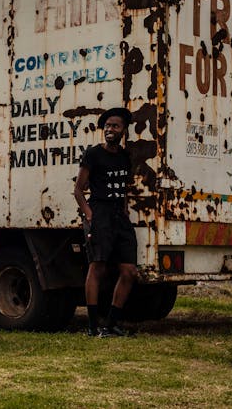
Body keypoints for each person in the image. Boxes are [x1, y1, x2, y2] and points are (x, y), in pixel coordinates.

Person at [73, 107, 138, 337]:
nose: (110, 130)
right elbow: (78, 191)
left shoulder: (123, 156)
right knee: (97, 267)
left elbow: (123, 190)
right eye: (107, 126)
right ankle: (92, 326)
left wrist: (124, 212)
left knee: (129, 270)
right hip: (99, 213)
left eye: (115, 126)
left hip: (119, 217)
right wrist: (90, 216)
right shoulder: (93, 154)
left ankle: (111, 324)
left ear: (123, 130)